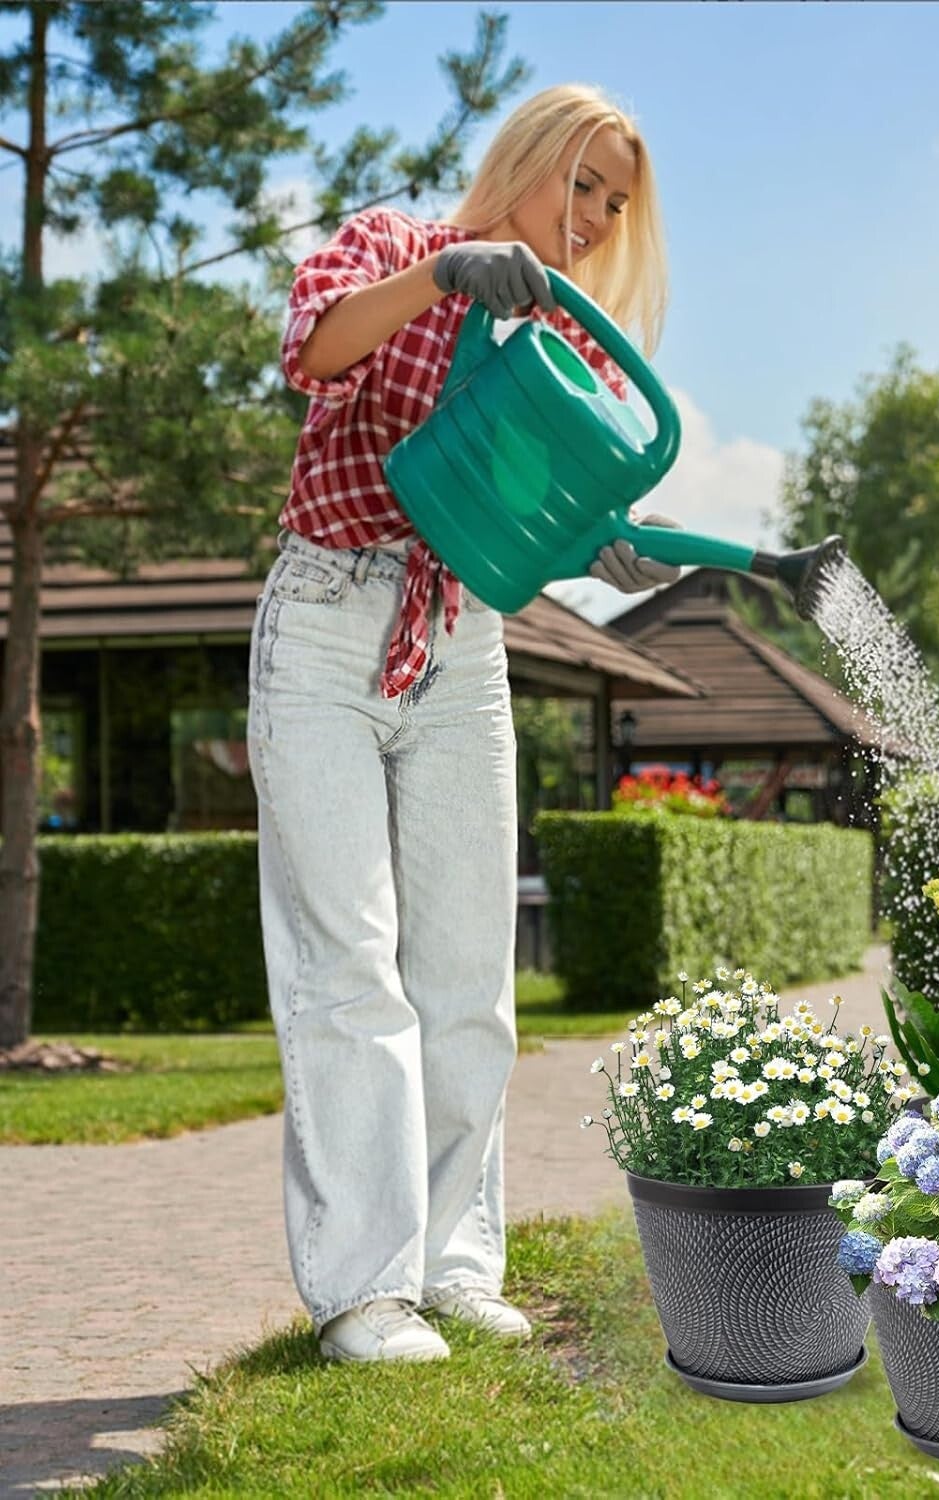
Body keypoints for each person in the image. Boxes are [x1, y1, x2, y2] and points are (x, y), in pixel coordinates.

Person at [248, 84, 680, 1364]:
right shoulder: (392, 244)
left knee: (465, 979)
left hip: (459, 646)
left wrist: (605, 549)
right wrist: (445, 273)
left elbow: (520, 525)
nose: (597, 218)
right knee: (349, 969)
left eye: (616, 202)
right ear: (532, 160)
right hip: (328, 620)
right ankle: (363, 1293)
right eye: (585, 184)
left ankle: (453, 1267)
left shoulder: (575, 347)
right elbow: (313, 348)